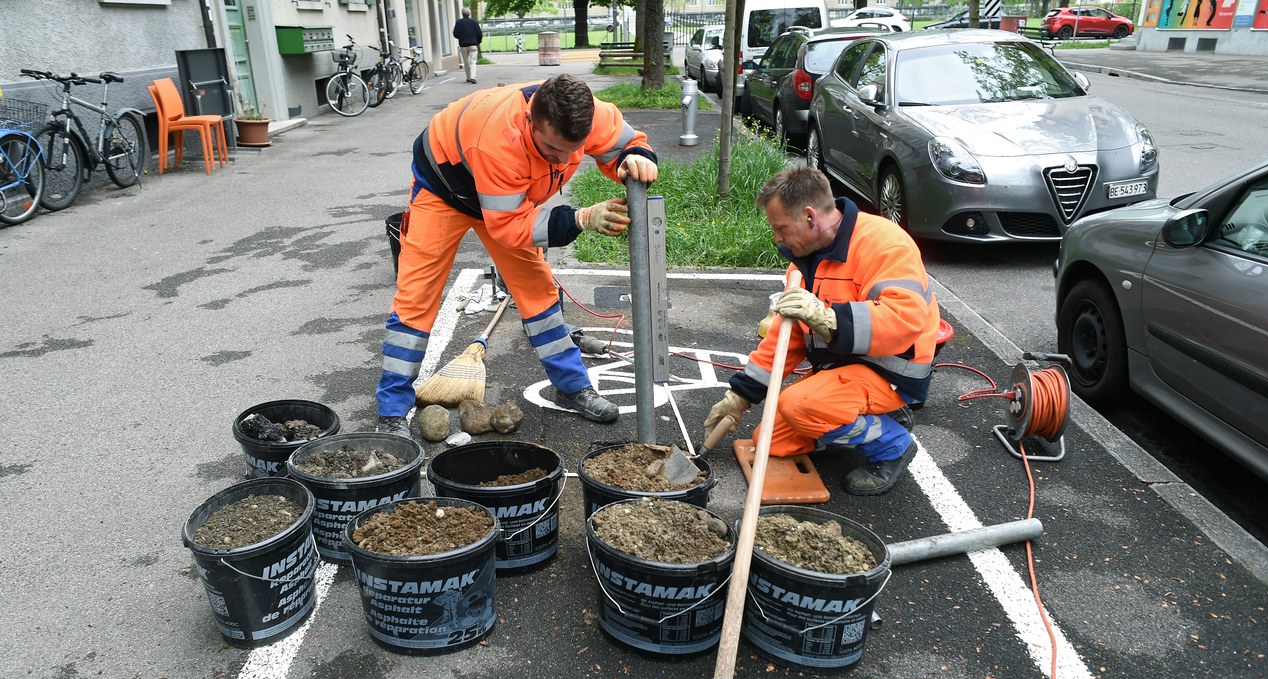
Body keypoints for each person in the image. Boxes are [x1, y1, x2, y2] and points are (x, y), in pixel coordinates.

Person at [375, 74, 659, 437]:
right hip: (446, 190)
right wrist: (580, 218)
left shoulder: (586, 113)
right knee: (416, 296)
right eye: (552, 151)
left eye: (574, 150)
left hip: (507, 197)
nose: (564, 159)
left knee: (537, 290)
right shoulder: (499, 143)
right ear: (530, 122)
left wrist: (637, 158)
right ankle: (391, 412)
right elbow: (509, 227)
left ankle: (572, 388)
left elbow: (627, 142)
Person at [702, 167, 939, 496]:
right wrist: (740, 396)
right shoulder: (802, 263)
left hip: (891, 371)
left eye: (780, 228)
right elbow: (789, 338)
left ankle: (893, 445)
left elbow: (903, 320)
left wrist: (830, 320)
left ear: (810, 217)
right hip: (843, 369)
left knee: (800, 406)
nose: (777, 238)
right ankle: (863, 419)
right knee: (769, 440)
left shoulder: (885, 244)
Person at [453, 8, 482, 84]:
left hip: (463, 45)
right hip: (473, 45)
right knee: (473, 62)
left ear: (462, 14)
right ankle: (473, 77)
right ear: (469, 14)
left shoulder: (458, 22)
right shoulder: (474, 22)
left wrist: (461, 37)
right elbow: (479, 33)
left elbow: (455, 34)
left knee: (466, 62)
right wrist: (478, 42)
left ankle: (468, 77)